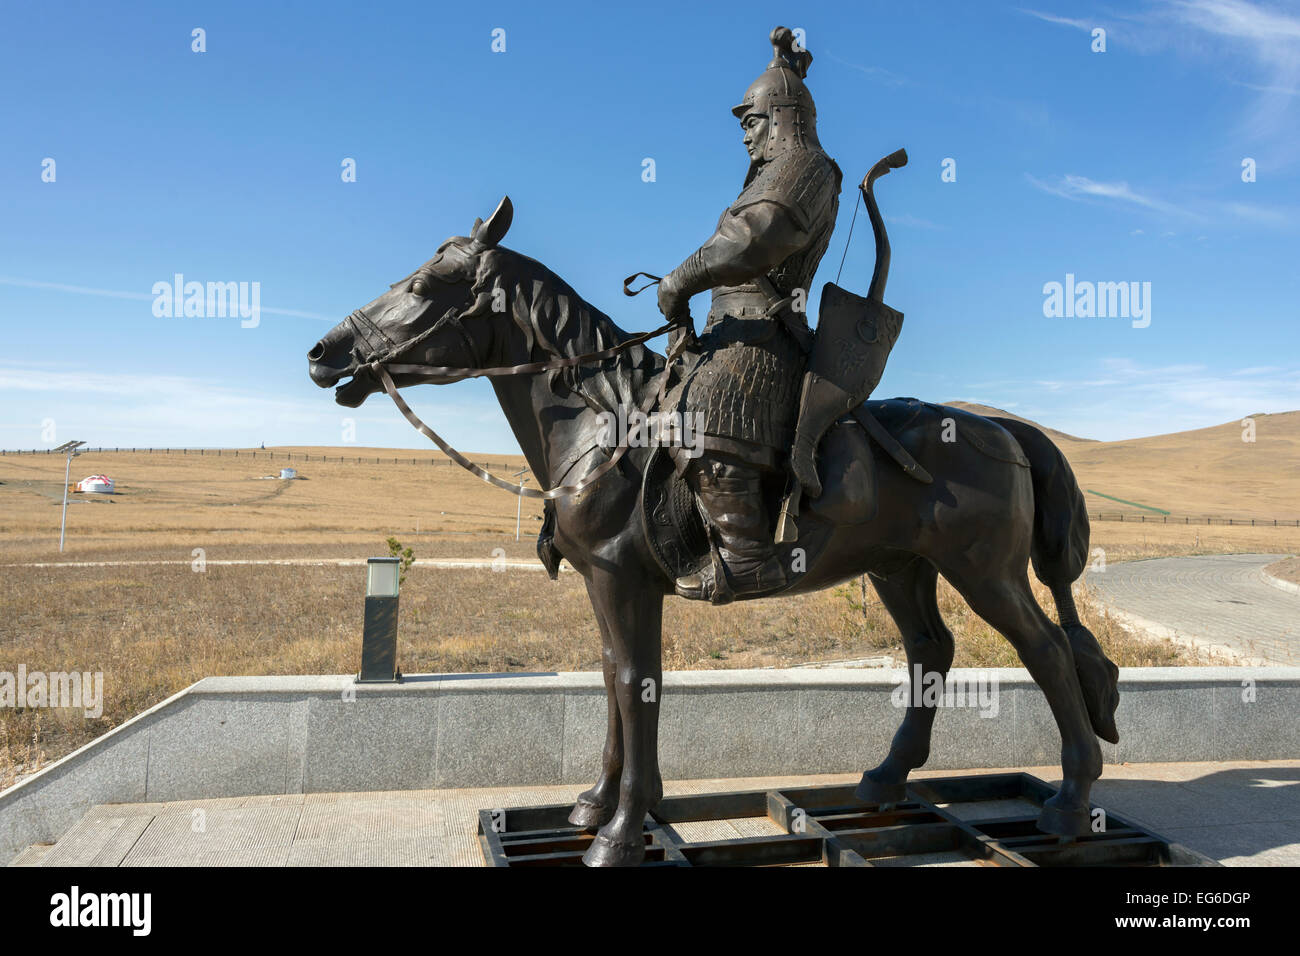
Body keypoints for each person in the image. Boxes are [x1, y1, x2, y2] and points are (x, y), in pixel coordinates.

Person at [656, 27, 841, 604]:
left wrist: (679, 280)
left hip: (766, 338)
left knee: (706, 405)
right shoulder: (767, 176)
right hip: (729, 329)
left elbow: (750, 242)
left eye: (751, 122)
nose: (745, 135)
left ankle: (748, 554)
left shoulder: (808, 168)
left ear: (783, 115)